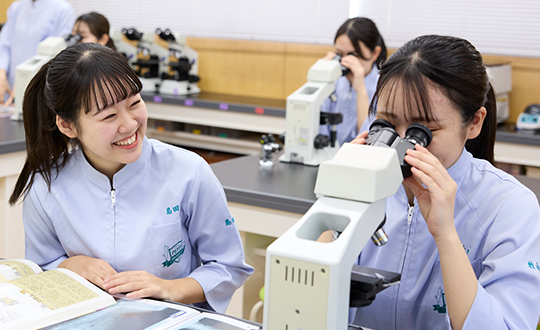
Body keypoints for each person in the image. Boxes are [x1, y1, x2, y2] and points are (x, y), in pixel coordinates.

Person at [8, 43, 253, 313]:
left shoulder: (188, 172)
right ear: (68, 125)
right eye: (109, 116)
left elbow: (228, 266)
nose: (130, 125)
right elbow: (38, 271)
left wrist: (169, 288)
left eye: (135, 103)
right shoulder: (46, 186)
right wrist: (68, 266)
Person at [344, 35, 540, 329]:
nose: (401, 145)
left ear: (473, 122)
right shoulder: (368, 184)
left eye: (421, 131)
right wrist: (339, 202)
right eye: (386, 123)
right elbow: (306, 305)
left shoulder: (509, 207)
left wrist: (446, 234)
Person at [319, 17, 386, 145]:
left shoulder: (385, 87)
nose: (345, 62)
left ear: (374, 53)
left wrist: (360, 89)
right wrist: (320, 78)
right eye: (339, 54)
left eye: (353, 55)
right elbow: (317, 127)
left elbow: (370, 140)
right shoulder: (335, 81)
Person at [0, 0, 75, 105]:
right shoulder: (16, 7)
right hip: (9, 88)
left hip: (38, 87)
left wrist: (24, 82)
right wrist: (1, 75)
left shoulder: (63, 9)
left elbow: (56, 55)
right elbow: (4, 45)